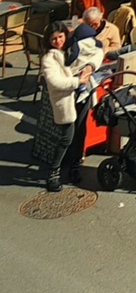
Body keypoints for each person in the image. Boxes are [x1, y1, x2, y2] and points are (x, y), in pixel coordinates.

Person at [38, 25, 94, 191]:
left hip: (83, 96)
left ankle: (75, 166)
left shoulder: (75, 46)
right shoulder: (48, 58)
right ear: (49, 40)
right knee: (66, 138)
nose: (58, 41)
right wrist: (77, 82)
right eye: (54, 39)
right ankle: (53, 172)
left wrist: (90, 66)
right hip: (66, 100)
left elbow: (97, 51)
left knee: (80, 132)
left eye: (61, 37)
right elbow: (55, 82)